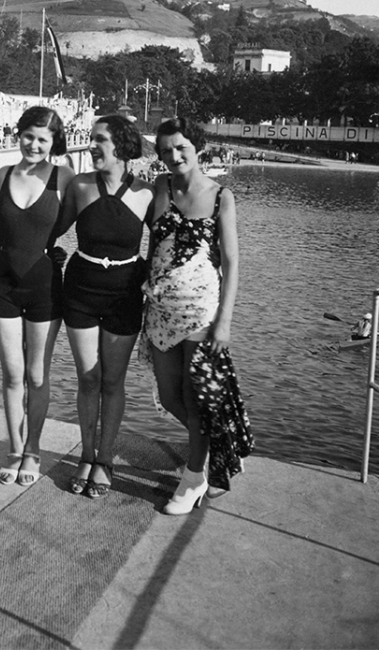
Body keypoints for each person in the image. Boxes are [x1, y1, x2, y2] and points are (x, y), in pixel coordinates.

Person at [144, 117, 246, 513]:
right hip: (160, 310)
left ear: (197, 147)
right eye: (167, 150)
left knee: (195, 396)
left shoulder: (222, 196)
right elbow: (153, 245)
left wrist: (225, 321)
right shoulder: (161, 187)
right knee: (170, 396)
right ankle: (218, 448)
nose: (174, 155)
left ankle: (193, 478)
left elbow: (233, 262)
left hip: (202, 312)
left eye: (182, 147)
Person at [53, 114, 154, 499]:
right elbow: (51, 230)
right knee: (88, 378)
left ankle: (106, 458)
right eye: (91, 139)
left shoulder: (147, 193)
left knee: (113, 380)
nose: (92, 146)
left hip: (125, 295)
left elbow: (165, 246)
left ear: (123, 147)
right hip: (80, 290)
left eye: (100, 140)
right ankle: (87, 453)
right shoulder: (80, 186)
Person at [0, 107, 75, 486]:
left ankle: (33, 450)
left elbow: (77, 219)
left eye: (43, 139)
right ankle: (14, 446)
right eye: (28, 136)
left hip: (44, 283)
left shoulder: (64, 177)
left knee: (37, 374)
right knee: (12, 374)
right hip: (3, 282)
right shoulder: (3, 174)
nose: (34, 145)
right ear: (18, 134)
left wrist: (56, 251)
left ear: (54, 143)